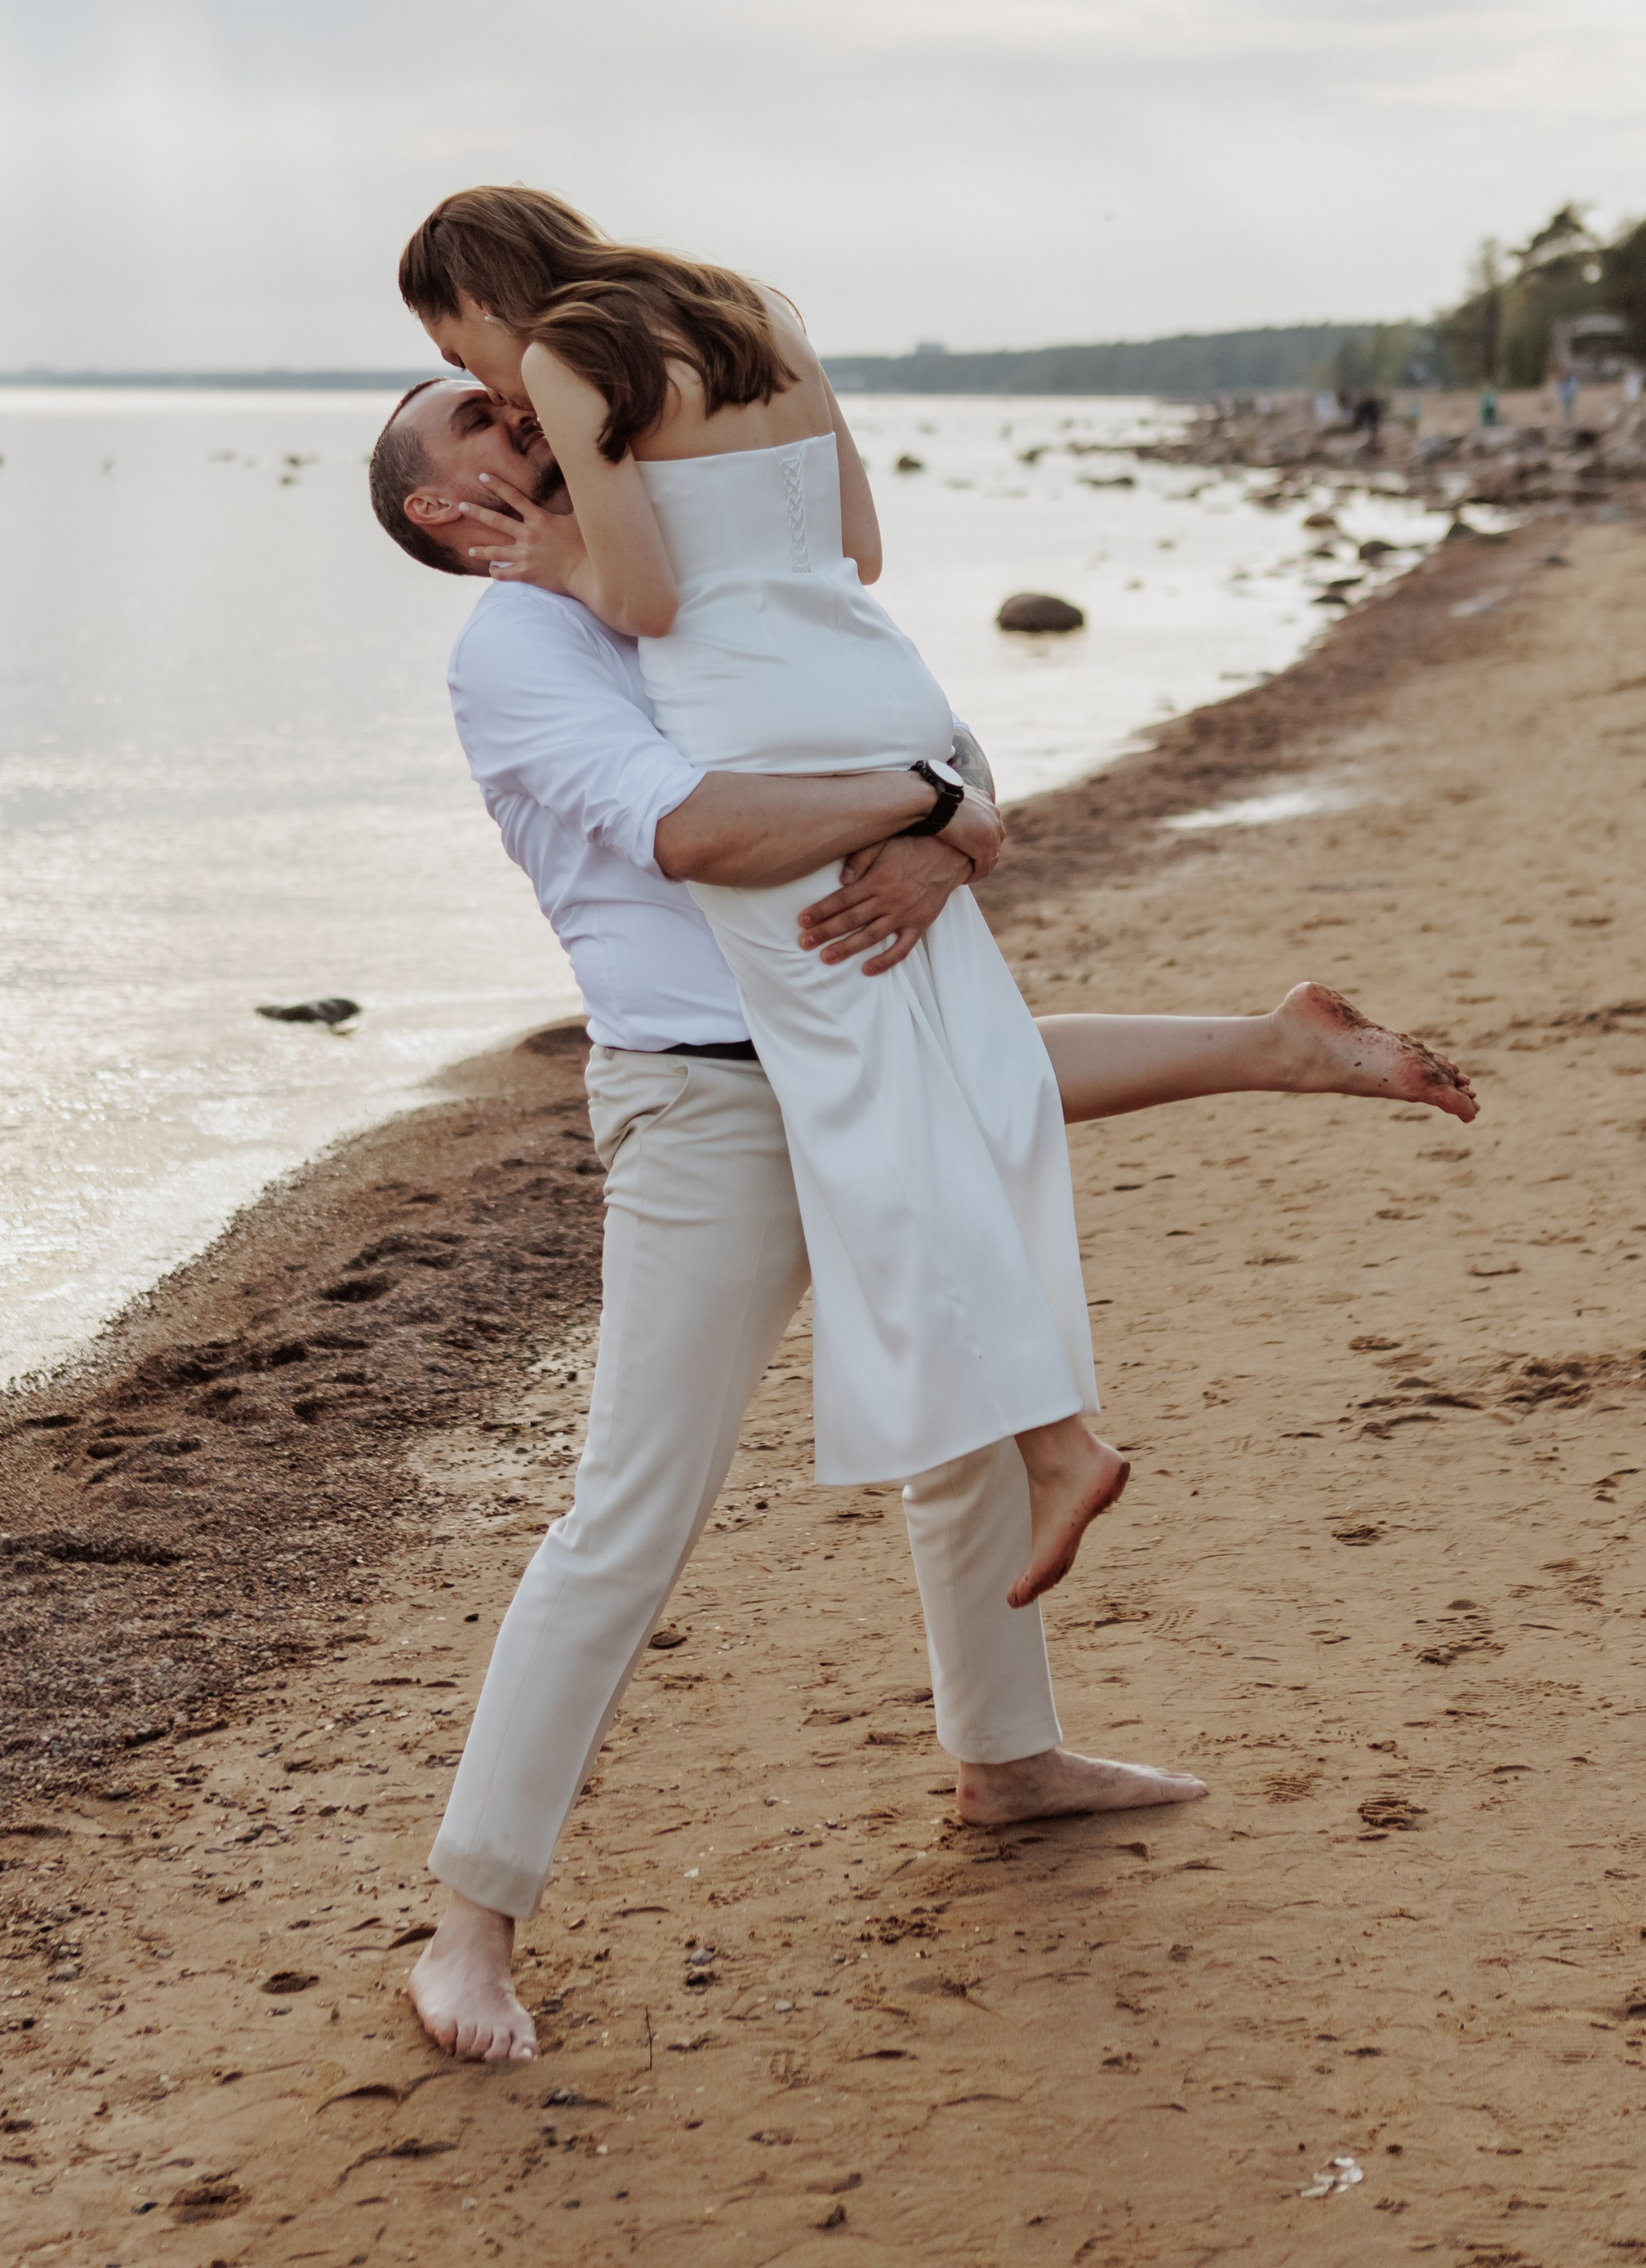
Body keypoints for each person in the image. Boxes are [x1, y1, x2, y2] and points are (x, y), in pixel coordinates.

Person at [367, 369, 1478, 2063]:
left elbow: (926, 740)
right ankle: (469, 1923)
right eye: (486, 432)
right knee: (632, 1507)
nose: (529, 429)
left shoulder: (672, 589)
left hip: (858, 1029)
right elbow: (705, 828)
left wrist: (944, 824)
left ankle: (1008, 1758)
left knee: (968, 1418)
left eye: (525, 405)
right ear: (446, 516)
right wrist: (919, 811)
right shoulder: (518, 650)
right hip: (707, 1102)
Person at [398, 189, 1130, 1616]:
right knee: (968, 1075)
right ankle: (1032, 1450)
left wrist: (564, 561)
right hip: (882, 681)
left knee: (870, 1117)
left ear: (480, 293)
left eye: (456, 342)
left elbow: (652, 603)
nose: (489, 380)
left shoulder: (566, 356)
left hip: (762, 725)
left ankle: (1052, 1441)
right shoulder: (754, 308)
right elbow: (858, 542)